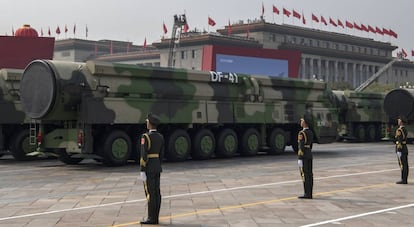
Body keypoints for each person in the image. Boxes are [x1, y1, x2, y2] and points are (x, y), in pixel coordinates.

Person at [139, 113, 164, 224]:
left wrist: (142, 169)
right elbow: (161, 154)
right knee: (157, 193)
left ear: (150, 124)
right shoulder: (160, 137)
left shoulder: (146, 137)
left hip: (148, 167)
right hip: (157, 166)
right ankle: (156, 217)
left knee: (150, 193)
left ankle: (151, 218)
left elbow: (144, 155)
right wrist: (158, 164)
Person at [297, 114, 314, 199]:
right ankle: (310, 193)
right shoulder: (310, 132)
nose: (301, 121)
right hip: (309, 154)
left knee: (304, 175)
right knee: (310, 174)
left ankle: (306, 193)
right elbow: (311, 145)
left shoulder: (302, 133)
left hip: (303, 155)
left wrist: (300, 158)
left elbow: (301, 146)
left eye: (302, 120)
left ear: (305, 123)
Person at [395, 115, 409, 184]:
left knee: (402, 165)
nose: (398, 121)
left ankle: (403, 180)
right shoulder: (405, 129)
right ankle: (405, 179)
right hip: (405, 148)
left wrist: (398, 150)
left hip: (401, 149)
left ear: (401, 122)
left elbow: (399, 141)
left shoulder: (399, 130)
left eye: (399, 120)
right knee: (405, 165)